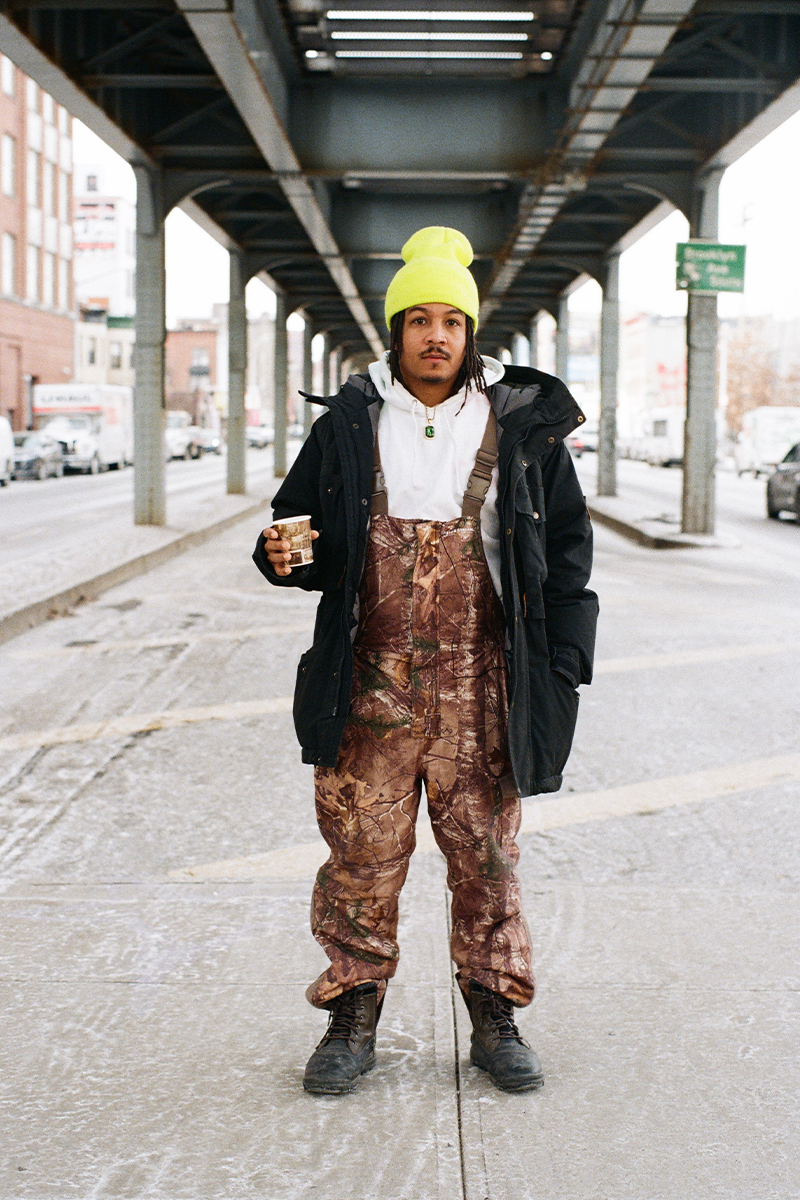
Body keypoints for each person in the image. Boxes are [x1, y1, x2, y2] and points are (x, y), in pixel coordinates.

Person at [253, 226, 598, 1095]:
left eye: (452, 320)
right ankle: (351, 1019)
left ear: (471, 332)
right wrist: (281, 557)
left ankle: (495, 1019)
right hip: (370, 686)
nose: (436, 336)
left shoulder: (521, 428)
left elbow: (565, 557)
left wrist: (562, 671)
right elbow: (300, 532)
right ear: (395, 330)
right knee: (360, 860)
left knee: (487, 858)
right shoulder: (347, 425)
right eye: (419, 320)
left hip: (487, 689)